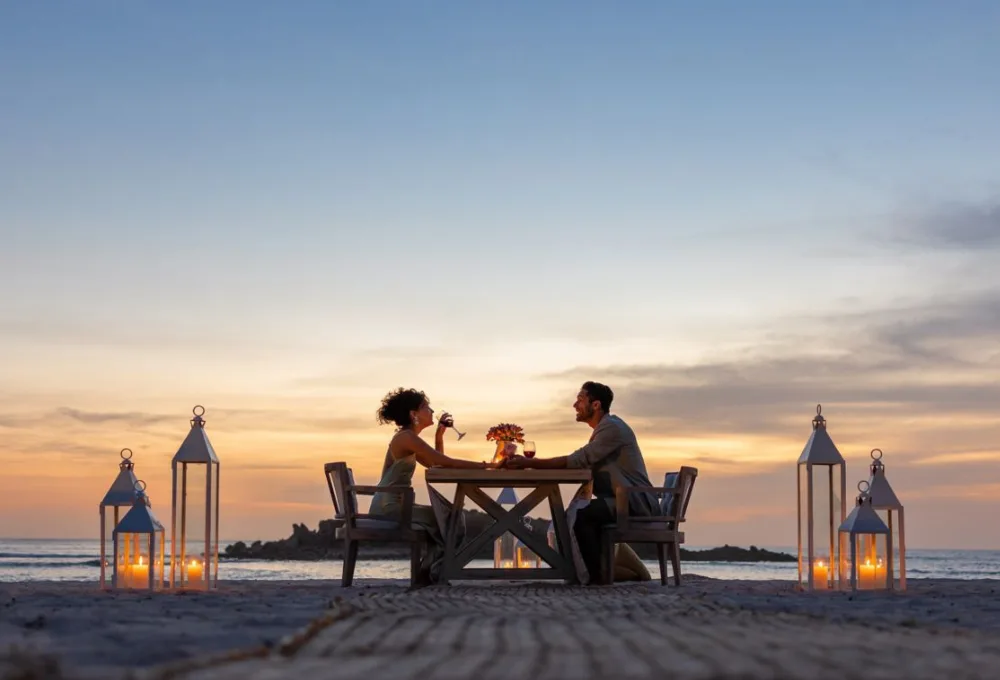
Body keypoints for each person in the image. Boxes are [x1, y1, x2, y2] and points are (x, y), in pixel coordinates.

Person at [503, 381, 659, 584]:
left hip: (633, 503)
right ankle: (593, 572)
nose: (574, 405)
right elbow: (582, 460)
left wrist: (530, 463)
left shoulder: (612, 428)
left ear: (596, 405)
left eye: (580, 399)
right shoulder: (605, 429)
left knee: (581, 516)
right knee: (581, 514)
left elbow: (578, 459)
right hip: (621, 500)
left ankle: (596, 578)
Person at [371, 387, 490, 585]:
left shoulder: (409, 438)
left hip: (395, 504)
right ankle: (432, 571)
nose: (432, 412)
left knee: (450, 517)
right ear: (413, 414)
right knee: (451, 519)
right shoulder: (406, 438)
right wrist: (485, 466)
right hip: (390, 507)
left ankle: (430, 571)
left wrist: (439, 436)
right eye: (427, 407)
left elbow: (436, 464)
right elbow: (444, 461)